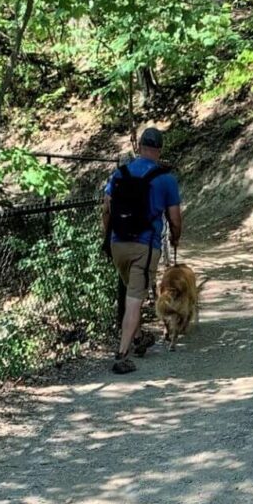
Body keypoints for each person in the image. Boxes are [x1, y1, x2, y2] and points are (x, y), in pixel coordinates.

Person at [102, 127, 182, 375]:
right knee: (135, 300)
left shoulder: (119, 174)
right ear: (159, 150)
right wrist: (175, 238)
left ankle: (139, 338)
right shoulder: (165, 179)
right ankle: (122, 354)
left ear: (139, 147)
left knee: (130, 294)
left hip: (118, 244)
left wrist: (107, 238)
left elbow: (107, 209)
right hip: (145, 247)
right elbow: (175, 219)